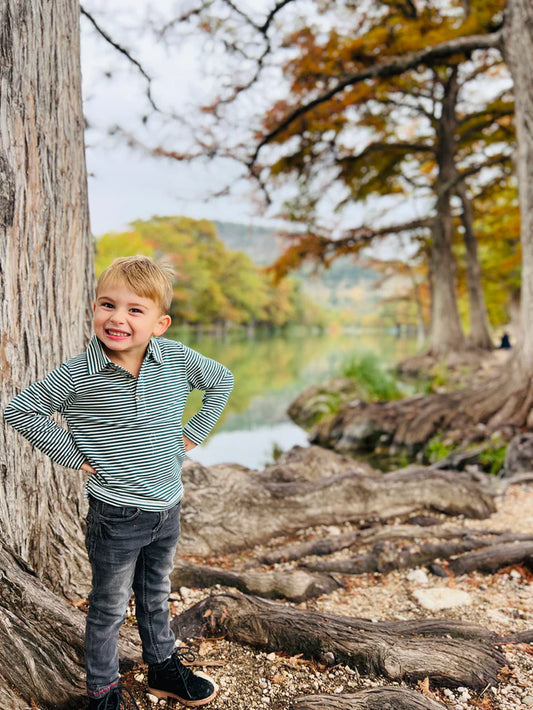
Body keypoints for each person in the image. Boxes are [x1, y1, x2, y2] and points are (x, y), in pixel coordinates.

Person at [4, 256, 234, 709]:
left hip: (167, 506)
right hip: (116, 514)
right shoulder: (78, 373)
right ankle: (104, 691)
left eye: (135, 310)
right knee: (108, 609)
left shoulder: (176, 359)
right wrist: (73, 453)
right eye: (108, 305)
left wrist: (193, 432)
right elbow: (21, 410)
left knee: (154, 595)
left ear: (159, 323)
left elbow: (221, 381)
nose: (118, 318)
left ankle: (164, 668)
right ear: (94, 308)